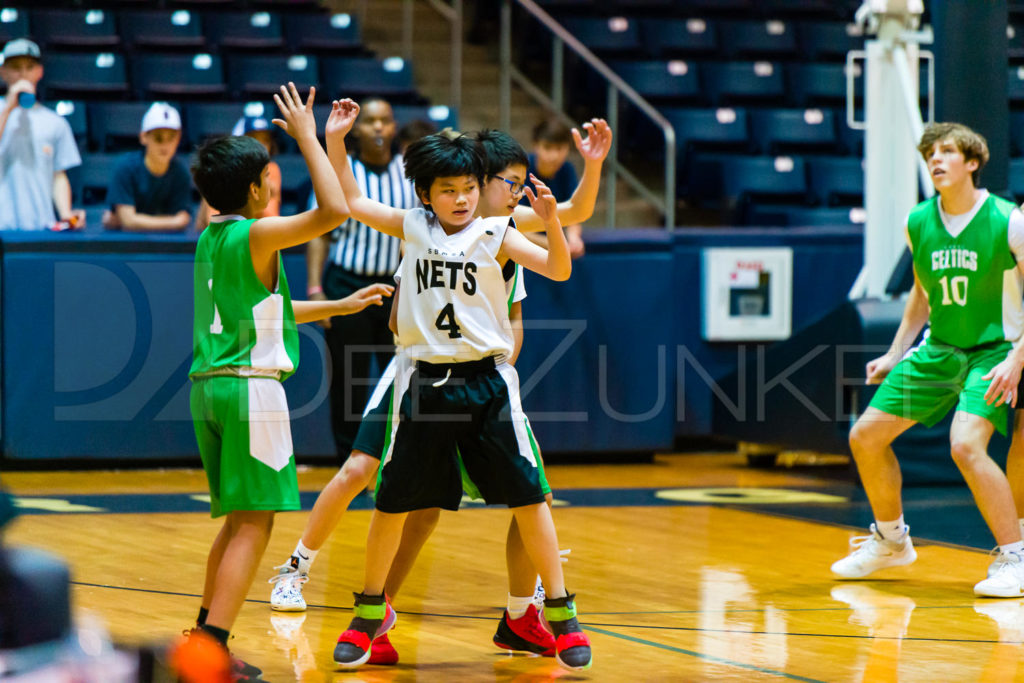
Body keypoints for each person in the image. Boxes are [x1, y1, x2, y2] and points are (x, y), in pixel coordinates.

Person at [268, 122, 612, 658]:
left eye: (468, 188)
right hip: (422, 378)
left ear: (482, 187)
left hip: (486, 382)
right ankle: (365, 611)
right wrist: (334, 141)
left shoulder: (499, 230)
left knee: (530, 496)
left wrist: (554, 224)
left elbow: (559, 269)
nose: (461, 198)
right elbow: (354, 198)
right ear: (427, 193)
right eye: (448, 190)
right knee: (392, 499)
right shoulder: (414, 225)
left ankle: (560, 610)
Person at [183, 83, 391, 678]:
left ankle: (202, 640)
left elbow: (264, 314)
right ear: (255, 190)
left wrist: (340, 305)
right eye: (268, 181)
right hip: (251, 391)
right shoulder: (257, 233)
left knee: (238, 520)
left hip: (210, 388)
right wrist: (311, 136)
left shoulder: (211, 239)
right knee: (256, 523)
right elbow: (335, 212)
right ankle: (213, 650)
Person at [831, 122, 1024, 598]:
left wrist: (1019, 357)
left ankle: (1015, 556)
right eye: (929, 154)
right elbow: (922, 292)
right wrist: (896, 352)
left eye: (946, 152)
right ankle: (892, 540)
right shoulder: (918, 220)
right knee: (866, 436)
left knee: (965, 445)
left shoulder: (1008, 220)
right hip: (939, 349)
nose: (935, 160)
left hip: (994, 350)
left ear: (972, 162)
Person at [305, 96, 417, 462]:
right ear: (358, 128)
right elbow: (318, 235)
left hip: (394, 287)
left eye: (385, 120)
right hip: (346, 283)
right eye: (371, 121)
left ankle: (393, 455)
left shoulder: (410, 172)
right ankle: (347, 459)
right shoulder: (342, 169)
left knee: (400, 375)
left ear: (394, 125)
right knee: (348, 381)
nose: (379, 127)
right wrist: (316, 289)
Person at [0, 38, 83, 231]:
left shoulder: (56, 123)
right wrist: (9, 108)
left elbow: (58, 175)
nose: (22, 74)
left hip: (39, 226)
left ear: (39, 72)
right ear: (2, 72)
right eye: (15, 67)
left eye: (29, 67)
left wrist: (66, 214)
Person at [102, 103, 193, 232]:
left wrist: (135, 220)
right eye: (159, 137)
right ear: (144, 137)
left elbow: (183, 220)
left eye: (171, 137)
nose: (165, 145)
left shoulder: (181, 173)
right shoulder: (125, 167)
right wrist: (172, 221)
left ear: (178, 139)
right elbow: (128, 221)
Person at [523, 116, 585, 258]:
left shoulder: (567, 170)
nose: (554, 155)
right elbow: (515, 229)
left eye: (559, 148)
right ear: (535, 145)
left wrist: (574, 238)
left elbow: (574, 213)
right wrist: (557, 245)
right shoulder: (521, 170)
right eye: (547, 147)